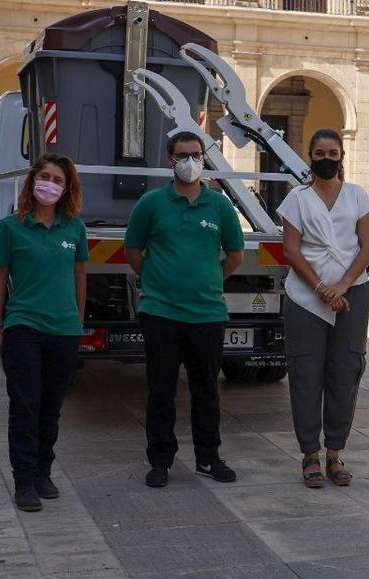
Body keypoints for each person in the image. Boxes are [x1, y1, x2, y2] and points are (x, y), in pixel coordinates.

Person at [125, 131, 244, 487]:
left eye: (195, 154)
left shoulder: (220, 206)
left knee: (206, 390)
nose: (189, 161)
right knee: (160, 390)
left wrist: (207, 281)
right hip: (160, 313)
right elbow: (133, 252)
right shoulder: (150, 203)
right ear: (170, 160)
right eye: (181, 155)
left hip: (207, 314)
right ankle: (160, 461)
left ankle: (208, 458)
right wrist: (160, 280)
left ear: (204, 159)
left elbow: (235, 256)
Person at [278, 129, 369, 488]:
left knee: (346, 371)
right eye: (320, 152)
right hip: (306, 297)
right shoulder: (297, 199)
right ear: (310, 155)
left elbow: (368, 245)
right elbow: (291, 250)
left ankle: (334, 452)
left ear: (342, 156)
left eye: (333, 152)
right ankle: (309, 454)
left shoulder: (357, 195)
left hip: (353, 293)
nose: (326, 158)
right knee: (305, 374)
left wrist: (342, 286)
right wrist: (321, 288)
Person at [0, 153, 87, 512]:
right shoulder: (11, 227)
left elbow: (79, 276)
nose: (50, 184)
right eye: (44, 177)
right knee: (25, 406)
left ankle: (44, 471)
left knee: (51, 407)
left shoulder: (74, 228)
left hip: (63, 331)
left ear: (67, 188)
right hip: (23, 327)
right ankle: (24, 480)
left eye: (58, 180)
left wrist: (77, 321)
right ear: (32, 181)